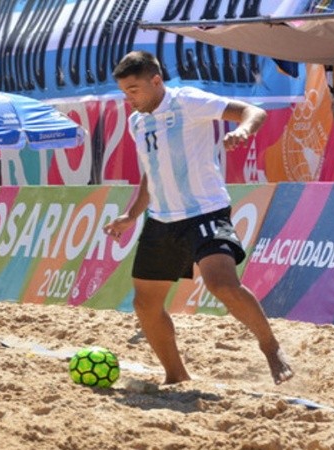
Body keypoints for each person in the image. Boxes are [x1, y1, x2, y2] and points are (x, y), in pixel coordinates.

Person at [103, 51, 293, 386]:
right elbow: (151, 174)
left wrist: (243, 131)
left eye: (133, 89)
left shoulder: (188, 101)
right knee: (145, 305)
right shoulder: (137, 122)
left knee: (222, 284)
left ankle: (270, 346)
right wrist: (131, 215)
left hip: (205, 211)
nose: (127, 98)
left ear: (156, 81)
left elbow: (254, 111)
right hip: (161, 220)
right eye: (123, 91)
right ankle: (176, 375)